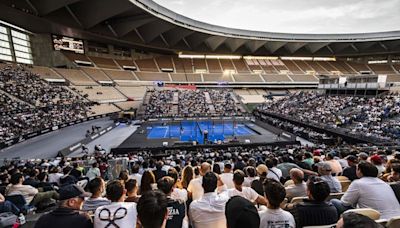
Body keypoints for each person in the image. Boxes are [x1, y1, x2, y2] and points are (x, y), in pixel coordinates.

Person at [332, 162, 400, 220]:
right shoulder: (384, 183)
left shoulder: (358, 183)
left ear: (359, 171)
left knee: (334, 201)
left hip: (376, 220)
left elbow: (345, 202)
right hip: (396, 220)